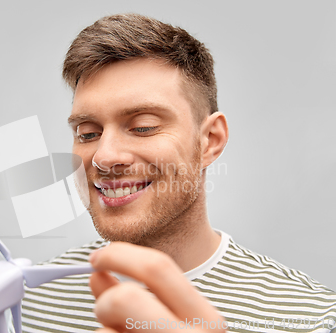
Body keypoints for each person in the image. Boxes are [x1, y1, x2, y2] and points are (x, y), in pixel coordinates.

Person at [21, 13, 336, 333]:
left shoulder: (313, 320)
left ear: (210, 141)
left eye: (143, 127)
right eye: (87, 133)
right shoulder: (31, 299)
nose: (105, 156)